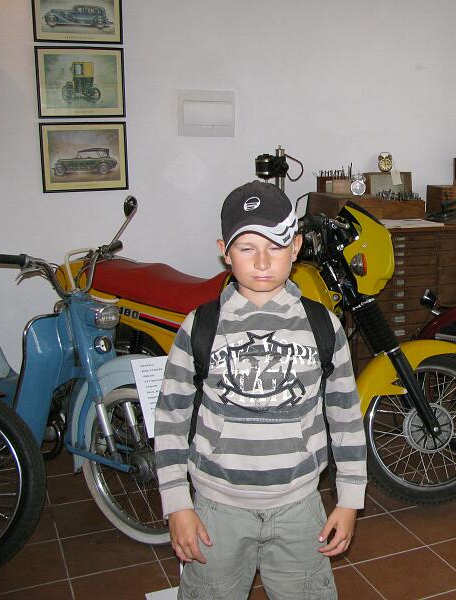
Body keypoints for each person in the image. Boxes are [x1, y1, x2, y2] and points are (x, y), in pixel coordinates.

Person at [154, 180, 367, 599]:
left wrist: (349, 499)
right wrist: (177, 503)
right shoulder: (201, 326)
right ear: (225, 251)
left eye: (276, 246)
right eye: (247, 248)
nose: (263, 261)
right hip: (217, 510)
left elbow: (345, 417)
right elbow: (171, 418)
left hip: (300, 508)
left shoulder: (323, 326)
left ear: (296, 246)